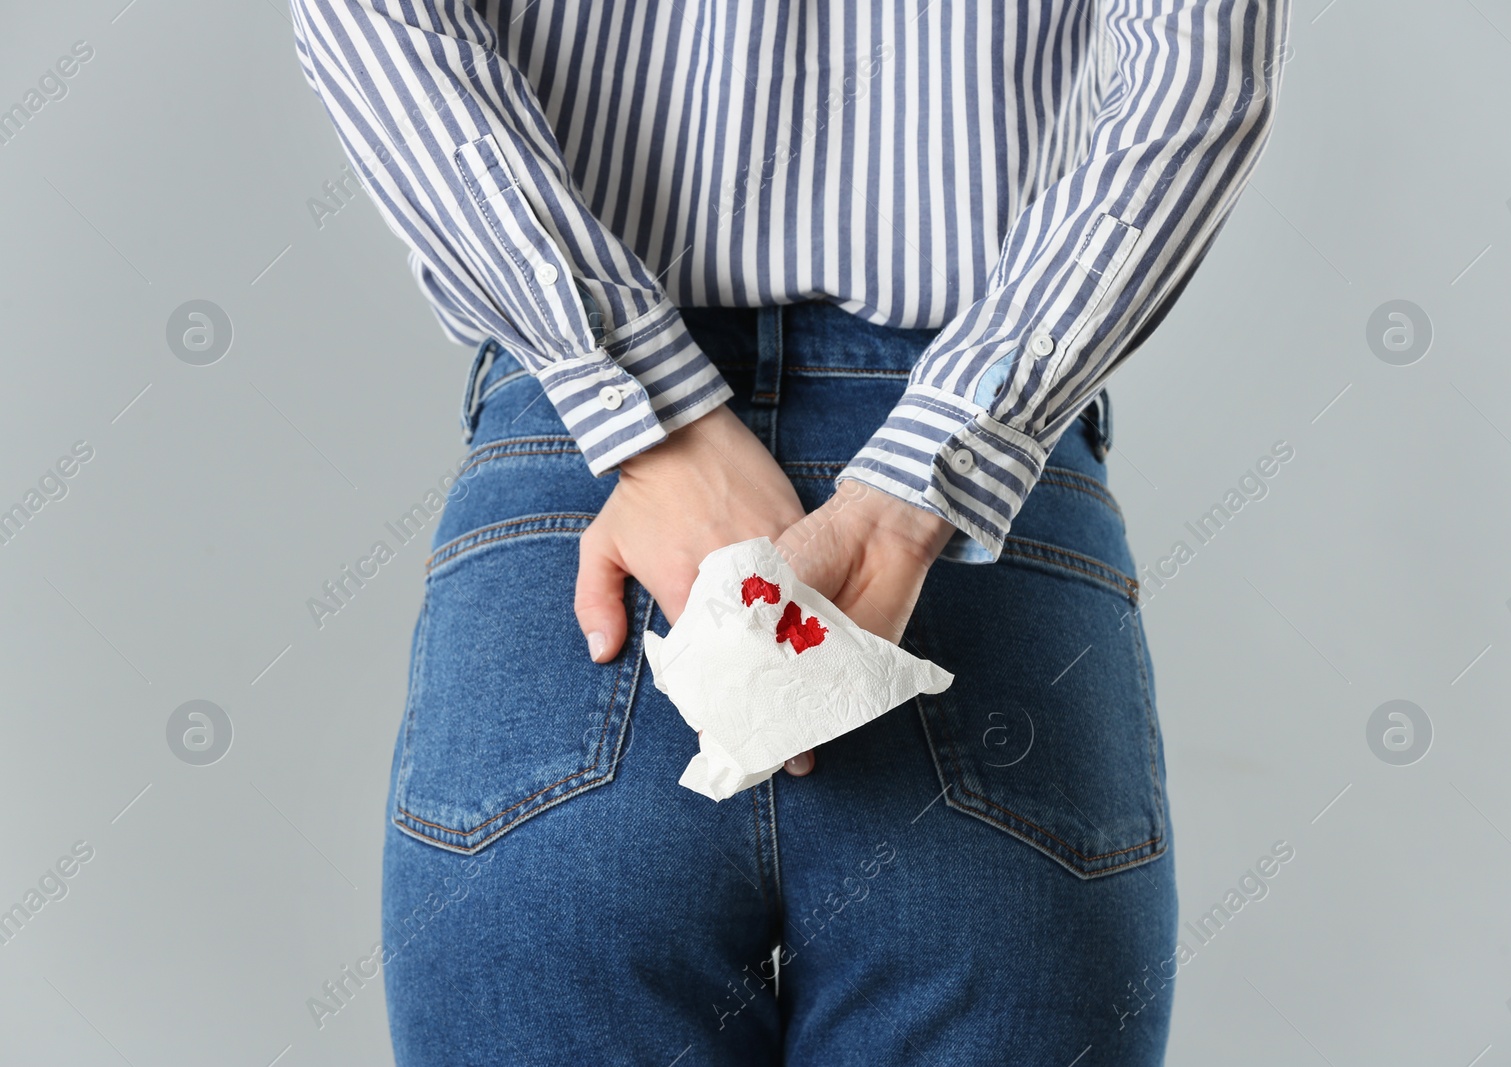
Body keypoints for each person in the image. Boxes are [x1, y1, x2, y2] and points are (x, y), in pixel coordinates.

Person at [288, 1, 1284, 1061]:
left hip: (587, 498)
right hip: (974, 522)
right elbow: (1198, 70)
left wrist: (652, 415)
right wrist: (918, 486)